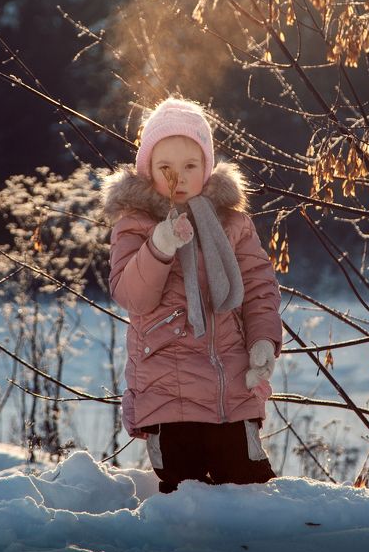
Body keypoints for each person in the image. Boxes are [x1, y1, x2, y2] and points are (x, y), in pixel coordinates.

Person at [103, 97, 282, 493]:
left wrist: (264, 340)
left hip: (231, 392)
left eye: (190, 166)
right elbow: (132, 295)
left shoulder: (233, 225)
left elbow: (258, 288)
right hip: (167, 395)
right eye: (166, 167)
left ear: (207, 168)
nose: (178, 178)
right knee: (186, 501)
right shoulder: (135, 225)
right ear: (147, 168)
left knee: (252, 491)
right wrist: (159, 246)